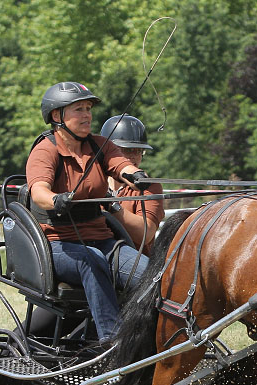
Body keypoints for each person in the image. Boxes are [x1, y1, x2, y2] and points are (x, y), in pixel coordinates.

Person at [25, 82, 151, 342]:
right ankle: (111, 343)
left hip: (103, 240)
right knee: (91, 260)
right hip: (58, 245)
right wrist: (55, 199)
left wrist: (135, 175)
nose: (87, 115)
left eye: (89, 109)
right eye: (78, 109)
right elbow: (38, 191)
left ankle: (150, 340)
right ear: (57, 116)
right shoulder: (45, 150)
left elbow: (120, 165)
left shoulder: (99, 145)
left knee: (151, 275)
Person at [99, 115, 165, 253]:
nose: (134, 156)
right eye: (127, 149)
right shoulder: (93, 181)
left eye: (139, 150)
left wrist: (111, 205)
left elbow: (145, 235)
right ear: (108, 150)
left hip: (134, 261)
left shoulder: (150, 187)